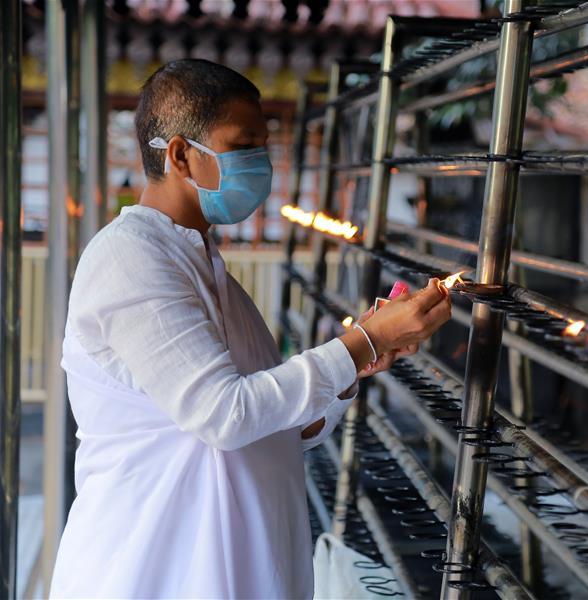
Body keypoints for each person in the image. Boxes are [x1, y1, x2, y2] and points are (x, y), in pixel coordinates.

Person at [49, 59, 452, 599]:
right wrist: (363, 341)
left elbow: (270, 419)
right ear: (180, 155)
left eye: (262, 145)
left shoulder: (201, 261)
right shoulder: (131, 259)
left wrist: (359, 365)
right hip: (154, 568)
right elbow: (226, 415)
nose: (260, 163)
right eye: (243, 145)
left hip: (235, 564)